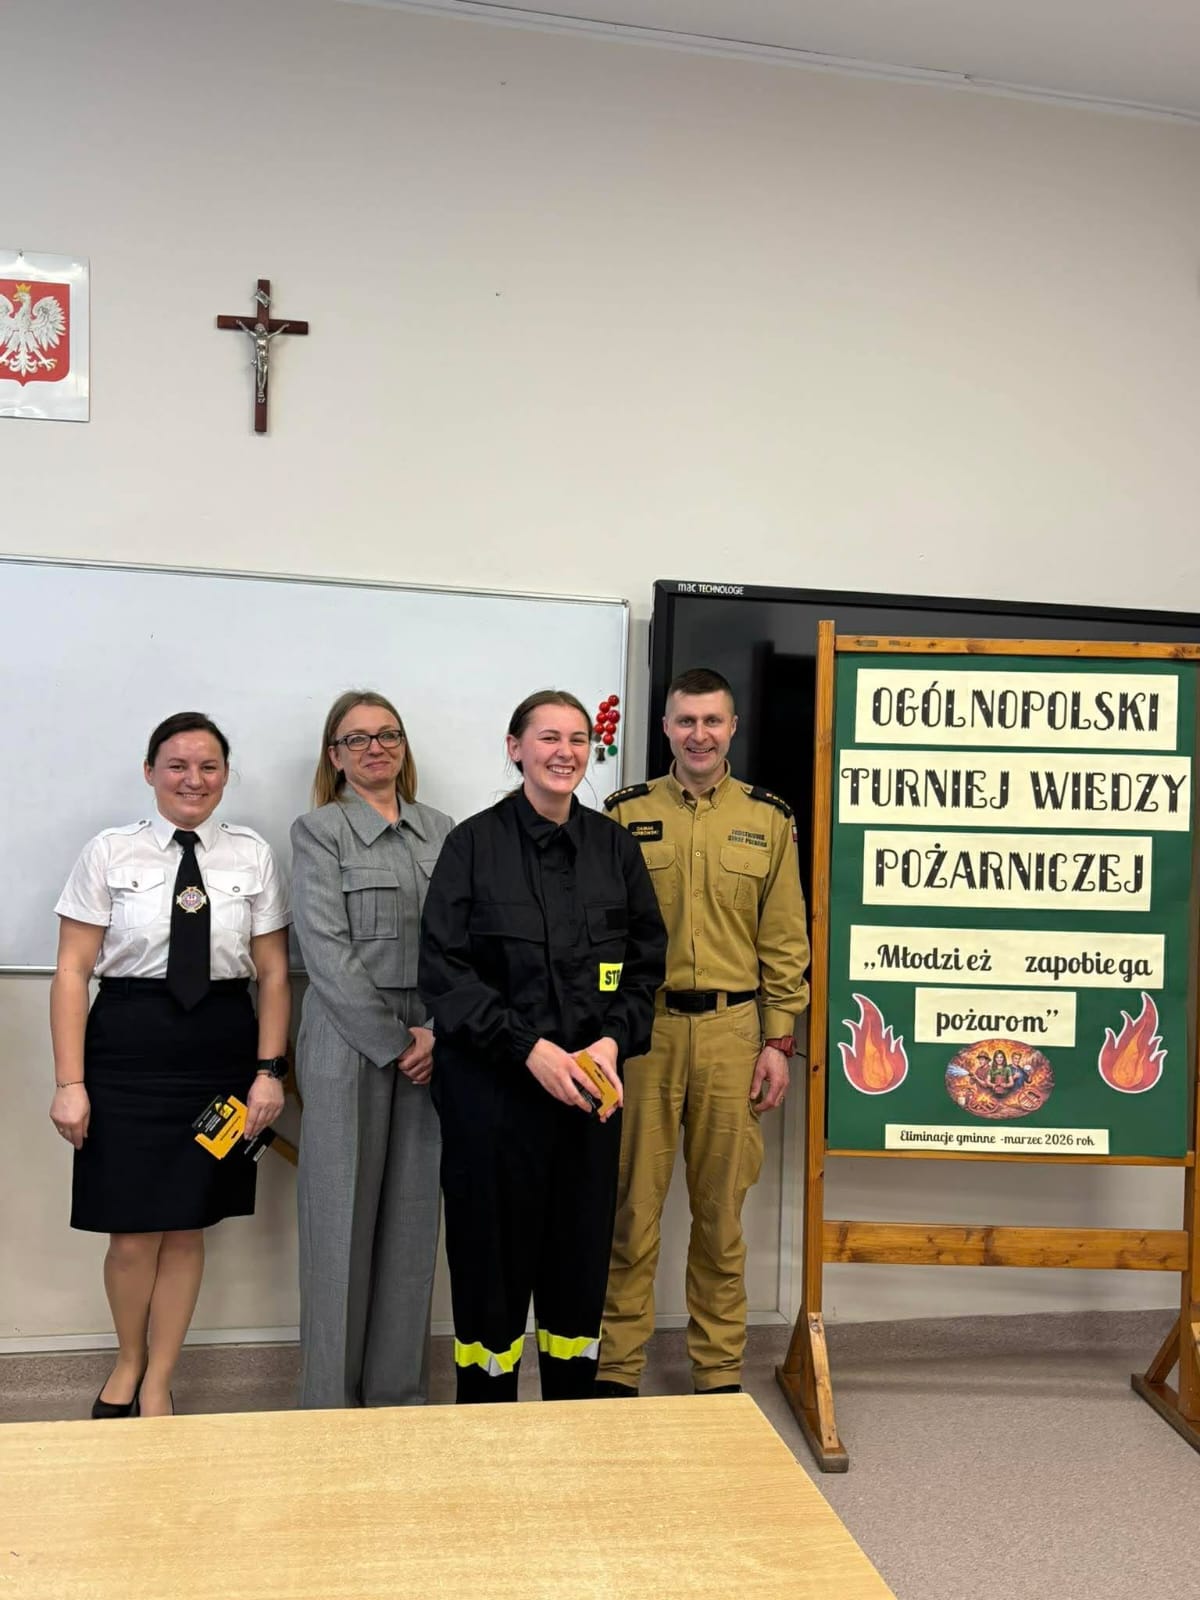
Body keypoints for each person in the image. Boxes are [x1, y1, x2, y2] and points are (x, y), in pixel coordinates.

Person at [418, 690, 666, 1404]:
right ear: (515, 748)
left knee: (578, 1270)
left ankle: (571, 1423)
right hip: (493, 1098)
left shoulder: (614, 847)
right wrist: (530, 1050)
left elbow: (645, 963)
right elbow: (444, 972)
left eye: (578, 739)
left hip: (588, 1097)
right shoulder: (473, 846)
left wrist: (613, 1043)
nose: (565, 752)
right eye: (549, 737)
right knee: (490, 1273)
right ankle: (486, 1426)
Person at [49, 712, 291, 1419]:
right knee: (131, 1231)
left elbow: (274, 975)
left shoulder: (251, 855)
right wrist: (69, 1083)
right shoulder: (109, 851)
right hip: (126, 1052)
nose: (194, 779)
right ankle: (128, 1361)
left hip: (220, 1054)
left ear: (226, 775)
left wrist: (269, 1071)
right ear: (150, 771)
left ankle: (160, 1379)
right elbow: (71, 971)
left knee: (187, 1224)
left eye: (209, 766)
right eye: (178, 765)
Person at [596, 667, 810, 1397]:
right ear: (665, 727)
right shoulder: (623, 813)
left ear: (732, 727)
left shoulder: (768, 819)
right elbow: (601, 931)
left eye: (712, 721)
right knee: (631, 1213)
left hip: (733, 1035)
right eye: (685, 720)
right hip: (644, 1034)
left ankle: (717, 1374)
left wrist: (778, 1042)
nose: (699, 734)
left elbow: (784, 938)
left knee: (721, 1218)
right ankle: (617, 1370)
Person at [291, 691, 454, 1408]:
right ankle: (329, 1405)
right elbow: (325, 953)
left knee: (412, 1225)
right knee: (339, 1227)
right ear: (335, 756)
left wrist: (437, 1031)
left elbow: (461, 942)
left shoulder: (442, 831)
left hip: (430, 1043)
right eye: (356, 739)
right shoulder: (318, 831)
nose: (375, 748)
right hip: (346, 1040)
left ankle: (398, 1398)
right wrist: (395, 1043)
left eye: (388, 735)